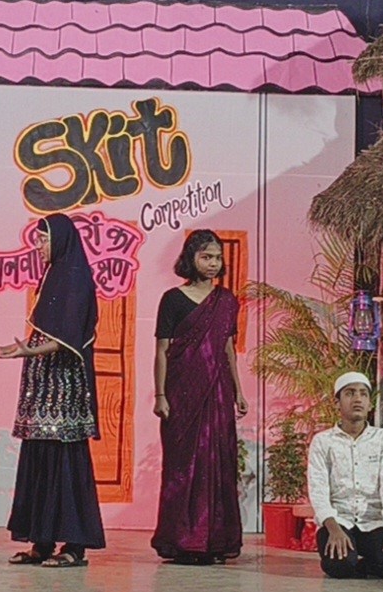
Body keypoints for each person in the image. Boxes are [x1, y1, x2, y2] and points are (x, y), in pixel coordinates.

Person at [0, 212, 105, 568]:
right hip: (42, 384)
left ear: (61, 240)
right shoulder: (54, 275)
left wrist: (23, 352)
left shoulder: (76, 278)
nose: (39, 246)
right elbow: (40, 337)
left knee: (64, 461)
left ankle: (74, 546)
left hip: (64, 387)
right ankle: (42, 542)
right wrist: (6, 351)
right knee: (40, 457)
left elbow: (67, 339)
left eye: (44, 240)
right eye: (38, 240)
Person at [150, 229, 246, 563]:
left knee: (218, 463)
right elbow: (162, 351)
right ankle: (182, 540)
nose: (213, 263)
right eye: (206, 257)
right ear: (191, 258)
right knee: (182, 466)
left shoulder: (227, 300)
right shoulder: (172, 299)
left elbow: (228, 349)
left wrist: (238, 391)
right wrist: (160, 395)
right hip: (181, 393)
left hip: (218, 393)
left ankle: (214, 540)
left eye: (217, 257)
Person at [306, 372, 383, 579]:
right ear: (337, 403)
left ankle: (364, 565)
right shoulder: (323, 441)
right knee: (340, 565)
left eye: (363, 394)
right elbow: (318, 491)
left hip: (374, 522)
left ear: (370, 404)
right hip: (339, 521)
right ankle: (351, 561)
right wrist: (334, 530)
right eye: (350, 393)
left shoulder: (382, 438)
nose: (357, 399)